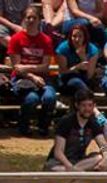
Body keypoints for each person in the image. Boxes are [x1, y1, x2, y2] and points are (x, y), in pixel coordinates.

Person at [7, 5, 56, 136]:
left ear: (39, 20)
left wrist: (27, 67)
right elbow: (17, 68)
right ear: (23, 19)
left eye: (34, 17)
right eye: (28, 17)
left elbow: (45, 66)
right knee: (32, 98)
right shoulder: (16, 39)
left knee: (50, 97)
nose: (31, 20)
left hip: (43, 77)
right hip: (21, 79)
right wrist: (33, 76)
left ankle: (43, 126)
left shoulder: (46, 40)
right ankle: (24, 127)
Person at [45, 88, 107, 171]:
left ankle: (76, 173)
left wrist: (106, 159)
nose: (87, 109)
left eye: (90, 105)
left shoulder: (93, 122)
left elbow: (103, 145)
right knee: (58, 169)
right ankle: (77, 173)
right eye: (84, 105)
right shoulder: (66, 121)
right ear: (77, 105)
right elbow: (58, 152)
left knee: (99, 158)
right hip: (60, 162)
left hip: (79, 161)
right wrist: (69, 167)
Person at [55, 21, 99, 96]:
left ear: (85, 37)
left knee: (80, 83)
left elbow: (89, 75)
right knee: (76, 82)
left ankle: (88, 100)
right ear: (70, 37)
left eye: (80, 36)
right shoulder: (63, 48)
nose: (77, 39)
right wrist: (76, 67)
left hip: (85, 79)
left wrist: (83, 58)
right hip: (67, 79)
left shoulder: (92, 50)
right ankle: (90, 98)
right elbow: (62, 72)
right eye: (74, 36)